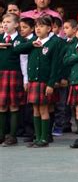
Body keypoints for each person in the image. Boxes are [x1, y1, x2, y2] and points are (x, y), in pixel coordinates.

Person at [14, 16, 62, 148]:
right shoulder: (34, 41)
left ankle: (44, 138)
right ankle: (37, 137)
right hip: (33, 81)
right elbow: (16, 49)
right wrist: (31, 44)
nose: (38, 29)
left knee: (44, 109)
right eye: (36, 26)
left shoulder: (53, 43)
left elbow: (55, 65)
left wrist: (51, 84)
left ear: (49, 28)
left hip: (44, 82)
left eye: (41, 26)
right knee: (35, 110)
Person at [0, 13, 27, 146]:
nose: (5, 24)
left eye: (8, 22)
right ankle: (1, 135)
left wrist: (25, 79)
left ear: (16, 25)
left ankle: (12, 136)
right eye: (3, 22)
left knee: (14, 105)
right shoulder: (0, 38)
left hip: (14, 74)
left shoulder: (21, 41)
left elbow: (24, 61)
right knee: (1, 105)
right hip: (1, 74)